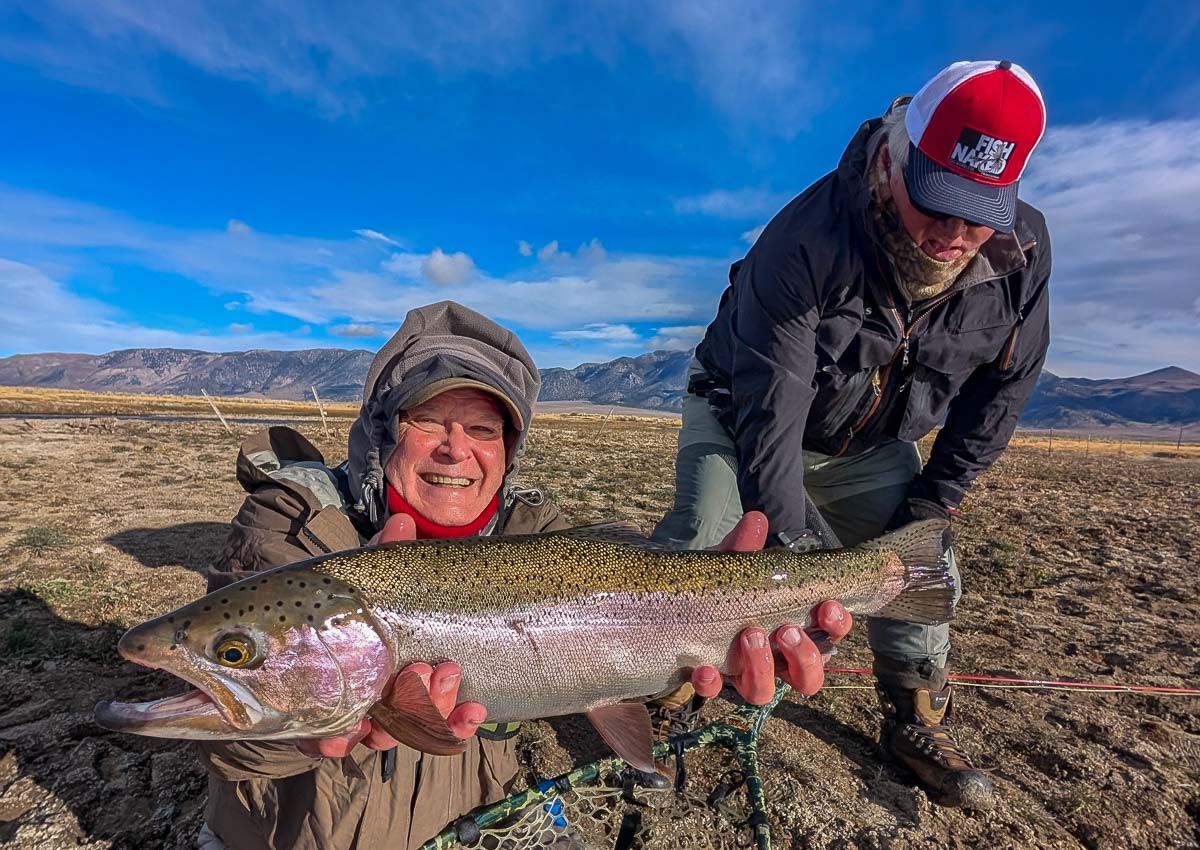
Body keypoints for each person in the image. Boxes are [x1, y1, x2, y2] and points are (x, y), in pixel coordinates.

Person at [195, 300, 850, 850]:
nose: (457, 449)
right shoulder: (295, 532)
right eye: (429, 420)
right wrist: (311, 730)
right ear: (380, 433)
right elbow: (236, 745)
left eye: (483, 427)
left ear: (508, 453)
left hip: (475, 820)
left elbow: (625, 643)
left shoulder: (538, 536)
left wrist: (726, 630)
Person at [653, 60, 1051, 811]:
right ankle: (672, 691)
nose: (954, 233)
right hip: (743, 416)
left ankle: (914, 716)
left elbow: (1004, 389)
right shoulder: (804, 240)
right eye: (937, 202)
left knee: (922, 564)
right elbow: (771, 410)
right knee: (705, 542)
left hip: (867, 445)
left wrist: (937, 500)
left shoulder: (1022, 255)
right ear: (896, 155)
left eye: (978, 211)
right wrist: (799, 569)